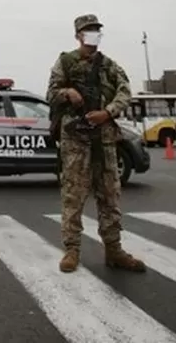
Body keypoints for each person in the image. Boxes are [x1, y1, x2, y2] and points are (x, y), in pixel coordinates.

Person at [46, 14, 145, 273]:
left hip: (105, 137)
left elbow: (125, 91)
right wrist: (67, 93)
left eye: (96, 30)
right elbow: (51, 94)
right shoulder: (66, 62)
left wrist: (108, 112)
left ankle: (114, 250)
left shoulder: (108, 65)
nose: (93, 35)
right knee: (73, 196)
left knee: (109, 195)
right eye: (88, 30)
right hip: (76, 139)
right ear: (78, 35)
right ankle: (72, 250)